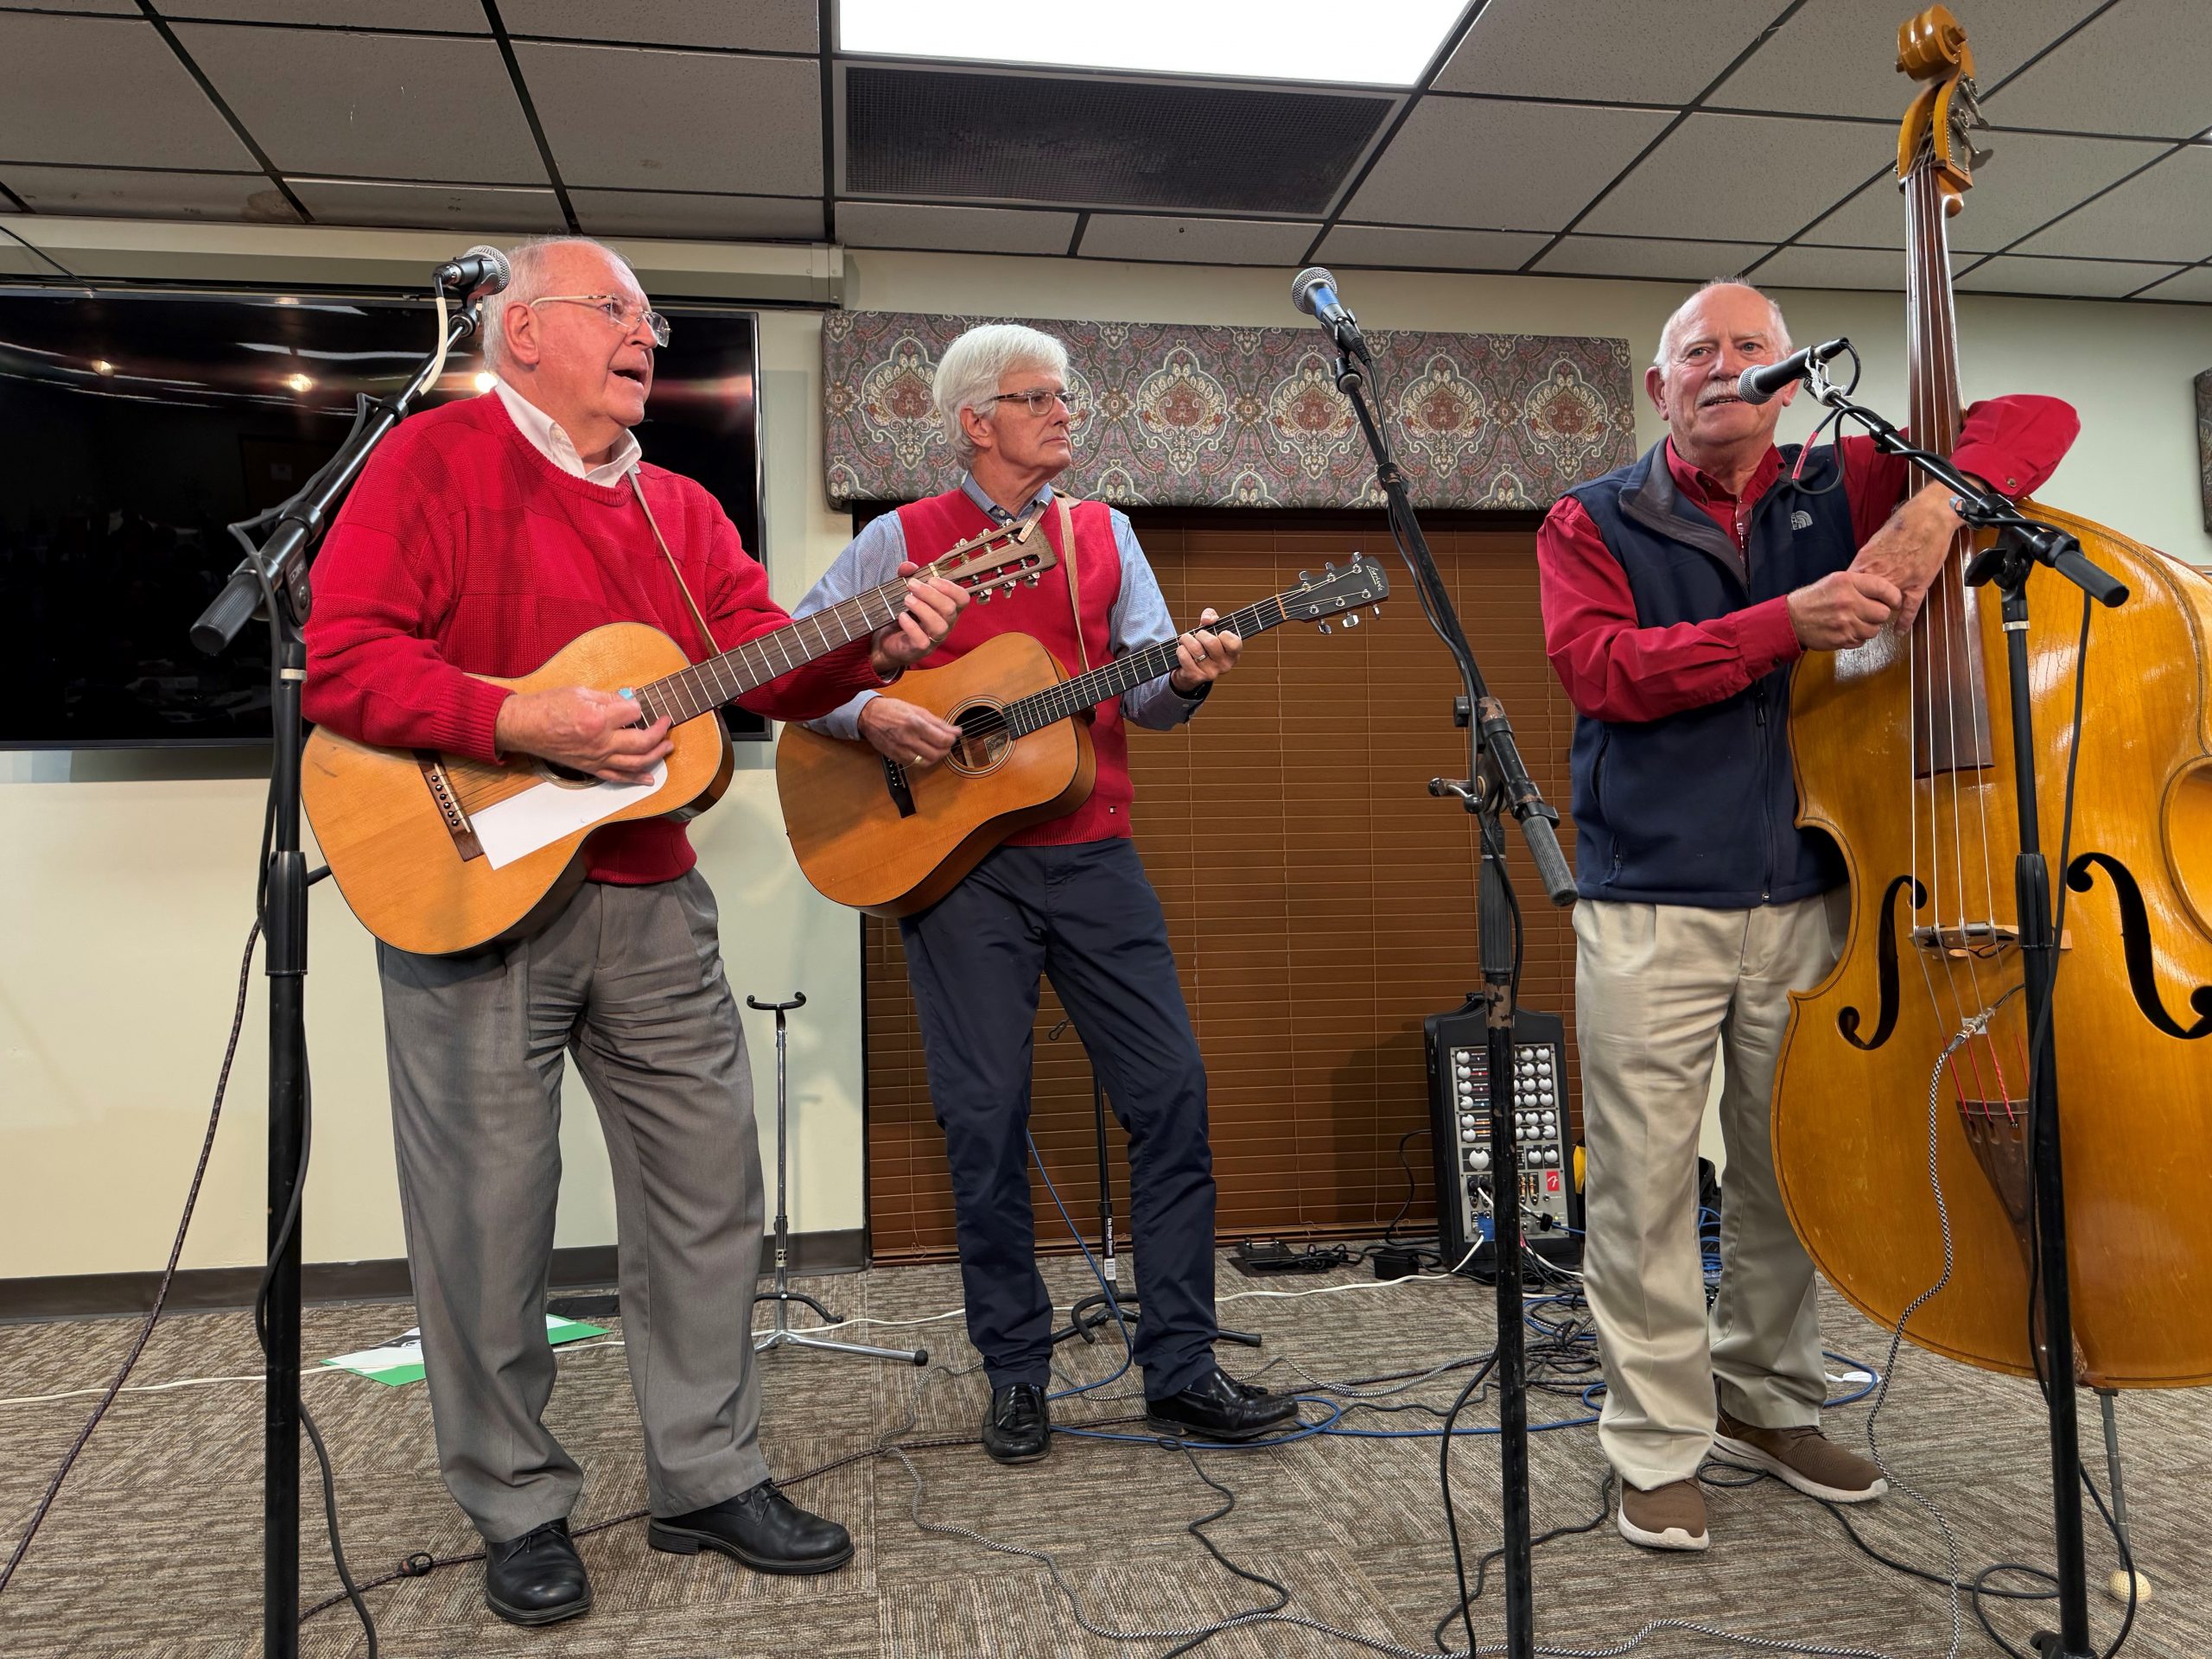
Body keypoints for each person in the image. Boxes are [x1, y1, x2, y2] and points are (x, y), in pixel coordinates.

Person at [302, 235, 965, 1626]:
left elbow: (771, 664)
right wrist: (516, 719)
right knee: (486, 1220)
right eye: (616, 308)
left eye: (652, 318)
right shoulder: (427, 462)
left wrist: (875, 643)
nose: (646, 334)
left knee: (709, 1193)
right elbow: (346, 662)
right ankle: (517, 1506)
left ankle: (708, 1477)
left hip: (652, 897)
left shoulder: (682, 510)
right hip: (470, 891)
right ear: (519, 330)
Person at [1537, 280, 2077, 1553]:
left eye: (1751, 347)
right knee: (1643, 1188)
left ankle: (1767, 1399)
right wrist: (1781, 623)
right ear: (1660, 386)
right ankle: (1656, 1443)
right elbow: (1603, 671)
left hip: (1812, 894)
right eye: (1698, 350)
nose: (1725, 365)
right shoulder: (1589, 517)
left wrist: (1936, 507)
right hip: (1651, 902)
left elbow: (2038, 416)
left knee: (1789, 1174)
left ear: (1788, 380)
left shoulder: (1850, 481)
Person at [793, 323, 1298, 1464]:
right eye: (1038, 398)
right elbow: (793, 672)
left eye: (1065, 396)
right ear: (976, 421)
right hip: (958, 870)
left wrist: (1191, 678)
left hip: (1094, 854)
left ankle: (1182, 1370)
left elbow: (1150, 700)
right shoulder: (895, 542)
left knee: (1172, 1098)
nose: (1065, 413)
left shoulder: (1105, 534)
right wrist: (874, 714)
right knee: (984, 1121)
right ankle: (1016, 1375)